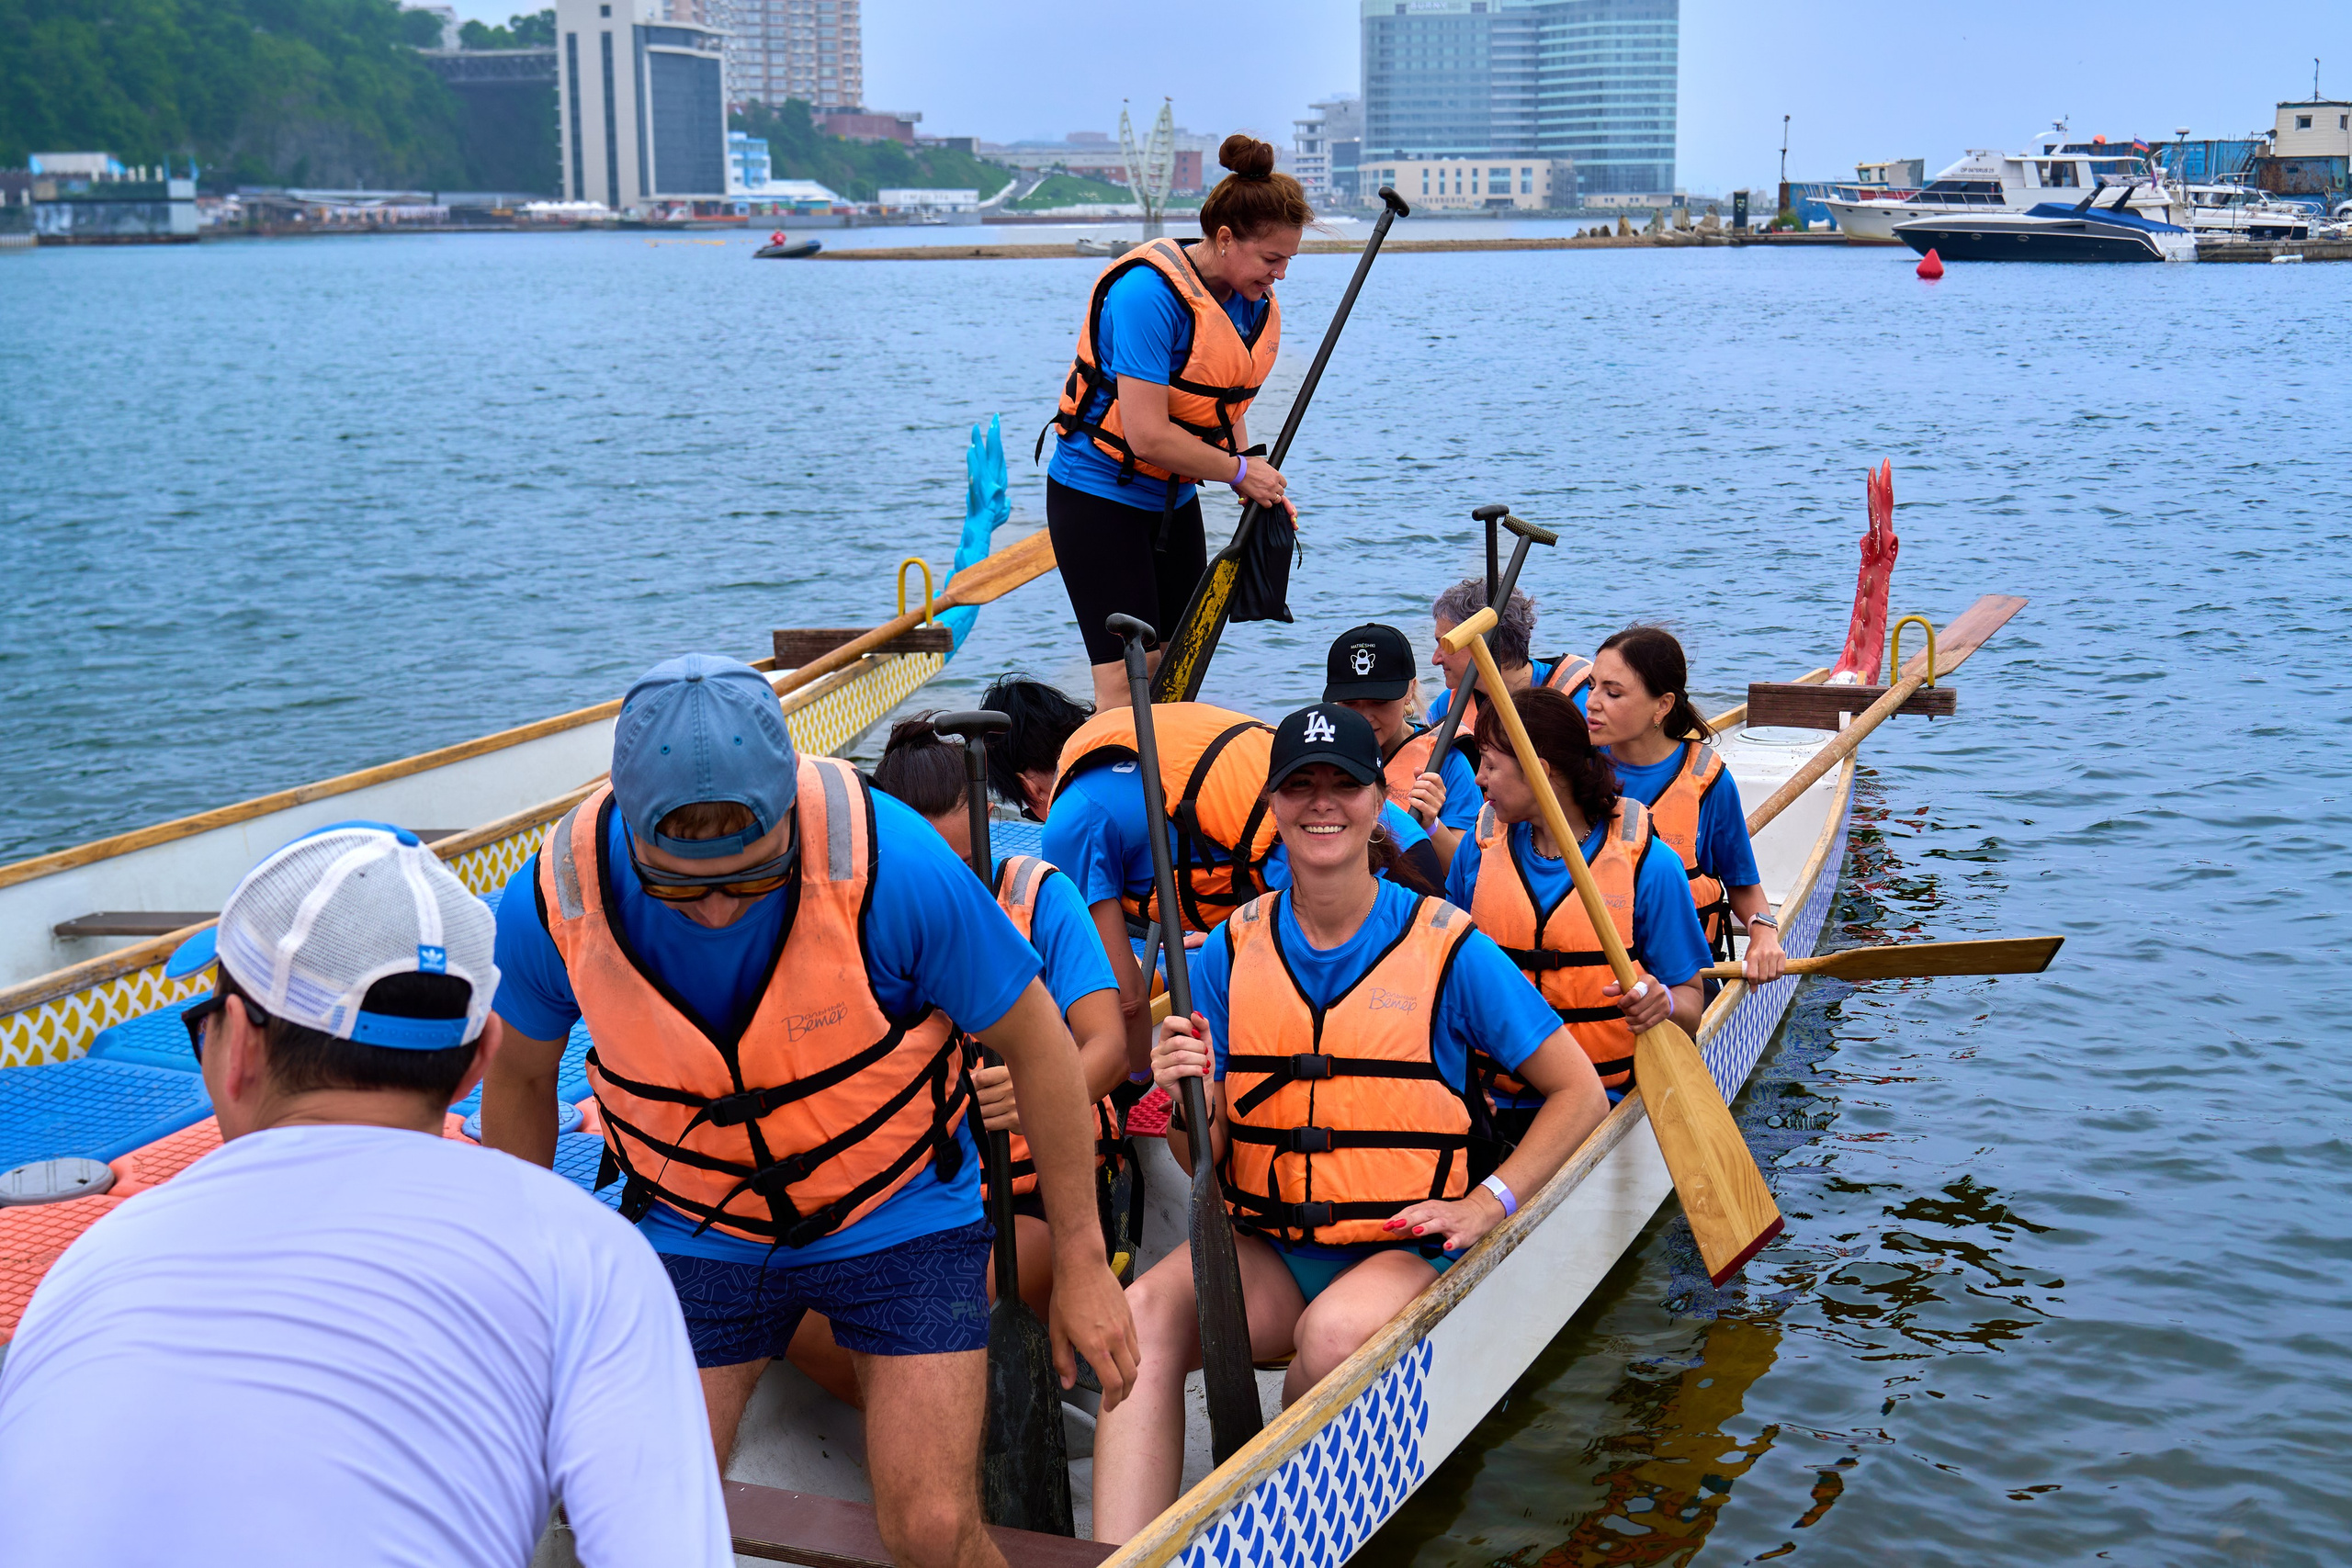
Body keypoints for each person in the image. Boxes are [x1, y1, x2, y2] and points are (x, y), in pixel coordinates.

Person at [478, 655, 1137, 1568]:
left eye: (745, 882)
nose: (714, 912)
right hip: (692, 1223)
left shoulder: (893, 864)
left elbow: (1040, 1045)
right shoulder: (559, 896)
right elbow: (514, 1081)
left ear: (788, 812)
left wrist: (1079, 1257)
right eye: (683, 887)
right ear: (629, 832)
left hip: (899, 1210)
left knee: (933, 1530)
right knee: (636, 1523)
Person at [0, 823, 732, 1568]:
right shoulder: (586, 1252)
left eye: (206, 1022)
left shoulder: (85, 1269)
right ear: (479, 1061)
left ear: (243, 1047)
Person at [1091, 705, 1610, 1542]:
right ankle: (1121, 1558)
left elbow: (1579, 1092)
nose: (1321, 803)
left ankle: (1284, 1526)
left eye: (1344, 785)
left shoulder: (1449, 946)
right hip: (1264, 1245)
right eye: (1301, 786)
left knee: (1329, 1339)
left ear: (1377, 803)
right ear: (1272, 805)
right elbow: (1202, 1157)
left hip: (1400, 1245)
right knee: (1140, 1313)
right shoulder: (1225, 952)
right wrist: (1192, 1094)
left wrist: (1489, 1203)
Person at [777, 717, 1130, 1406]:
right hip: (910, 1196)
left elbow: (1109, 1047)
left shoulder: (1039, 894)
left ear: (990, 822)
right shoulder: (860, 913)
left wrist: (1036, 1095)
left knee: (927, 1316)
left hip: (1032, 1200)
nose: (952, 894)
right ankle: (941, 1416)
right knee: (800, 1321)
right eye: (931, 870)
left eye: (965, 866)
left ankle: (955, 1415)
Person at [980, 676, 1444, 1067]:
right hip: (1403, 841)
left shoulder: (1070, 818)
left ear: (1026, 785)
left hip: (1354, 871)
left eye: (1027, 808)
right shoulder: (1137, 729)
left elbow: (1124, 999)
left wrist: (1138, 1081)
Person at [1041, 133, 1308, 710]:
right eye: (1272, 259)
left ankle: (1167, 784)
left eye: (1289, 259)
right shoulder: (1147, 295)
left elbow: (1223, 400)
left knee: (1181, 665)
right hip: (1097, 496)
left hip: (1172, 501)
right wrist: (1238, 473)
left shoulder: (1248, 298)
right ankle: (1121, 790)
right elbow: (1147, 433)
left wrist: (1254, 474)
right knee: (1128, 674)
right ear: (1225, 238)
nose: (1281, 274)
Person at [1443, 687, 1713, 1137]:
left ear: (1540, 774)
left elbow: (1691, 1001)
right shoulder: (1477, 850)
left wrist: (1661, 1003)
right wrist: (1457, 1076)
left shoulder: (1649, 866)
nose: (1477, 780)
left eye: (1489, 765)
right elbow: (1443, 981)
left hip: (1601, 1101)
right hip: (1490, 1097)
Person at [1582, 626, 1787, 986]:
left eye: (1612, 693)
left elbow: (1741, 882)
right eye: (1591, 686)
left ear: (1662, 705)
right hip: (1588, 971)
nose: (1593, 702)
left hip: (1678, 979)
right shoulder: (1573, 768)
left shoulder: (1708, 783)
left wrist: (1764, 933)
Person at [1324, 622, 1481, 872]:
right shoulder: (1320, 760)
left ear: (1410, 690)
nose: (1365, 716)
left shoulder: (1448, 763)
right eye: (1350, 703)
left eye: (1380, 701)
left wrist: (1431, 824)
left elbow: (1467, 871)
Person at [1424, 576, 1595, 739]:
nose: (1435, 659)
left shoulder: (1582, 702)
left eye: (1447, 644)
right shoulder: (1446, 709)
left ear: (1492, 644)